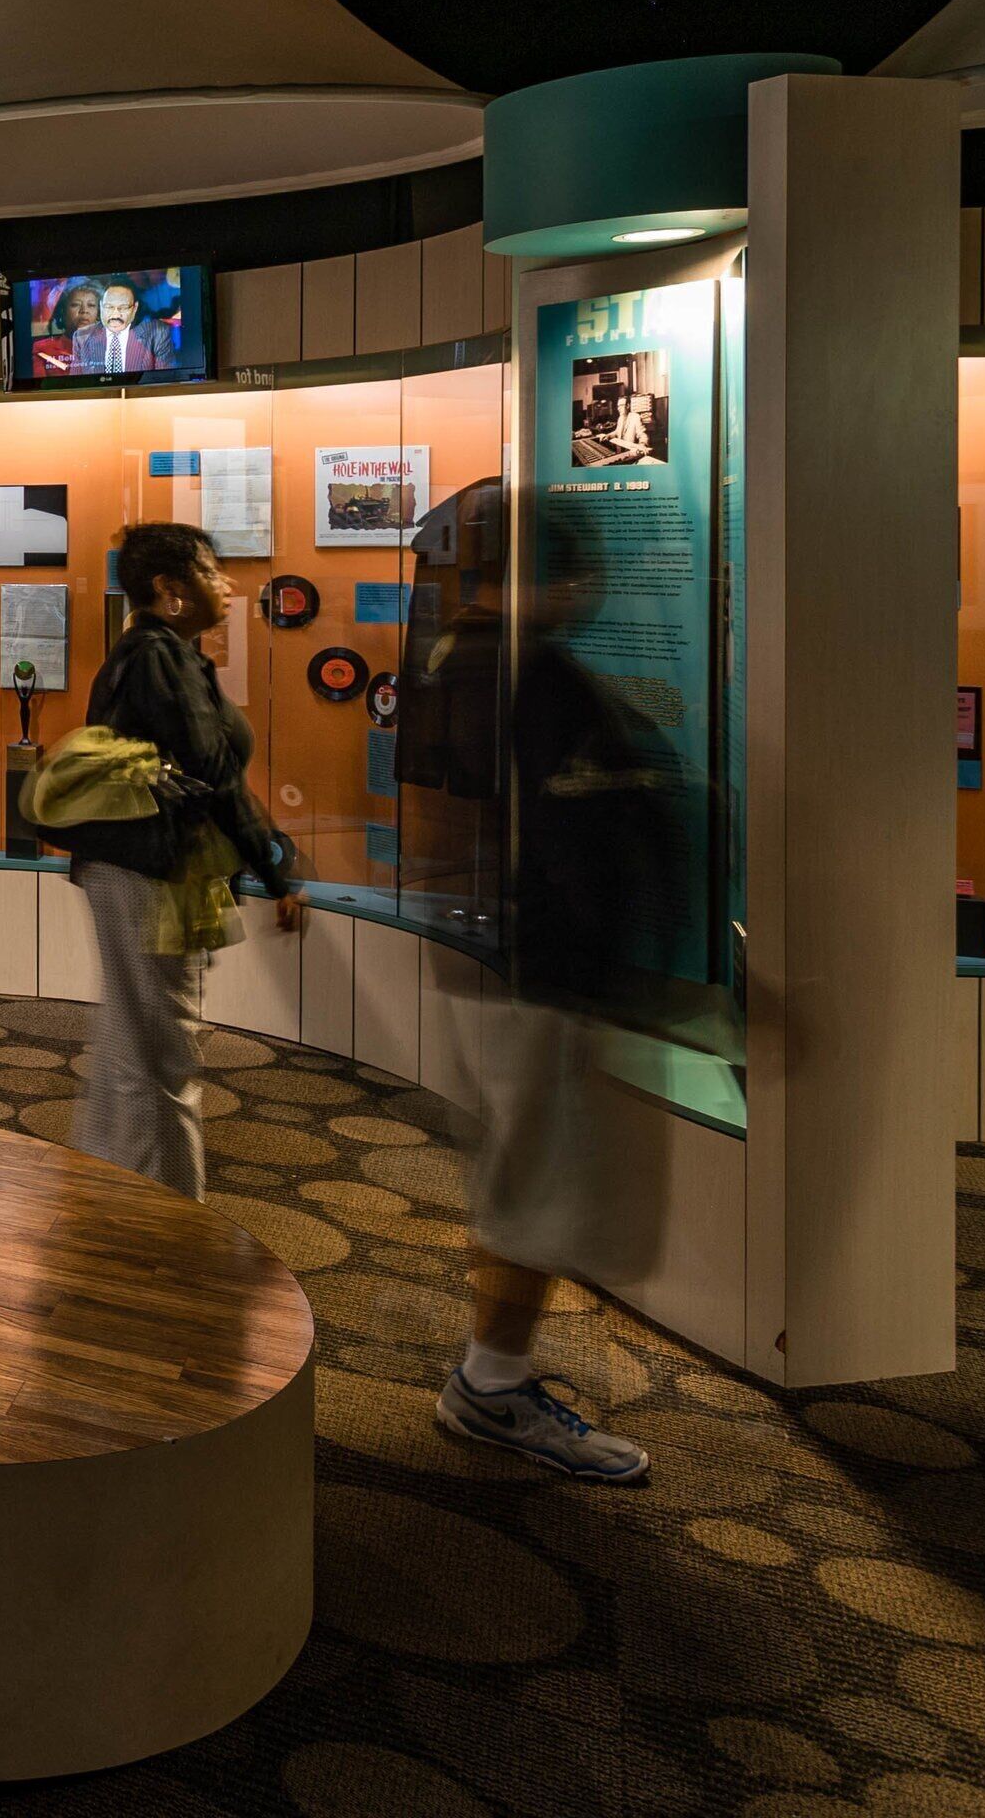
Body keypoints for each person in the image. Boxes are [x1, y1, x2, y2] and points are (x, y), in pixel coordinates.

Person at [411, 496, 674, 1483]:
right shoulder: (527, 676)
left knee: (521, 1184)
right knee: (534, 1190)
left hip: (496, 959)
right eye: (576, 573)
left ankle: (494, 1374)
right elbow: (574, 831)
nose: (589, 592)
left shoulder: (468, 659)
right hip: (534, 969)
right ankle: (492, 1386)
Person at [57, 523, 300, 1197]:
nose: (228, 585)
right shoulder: (163, 659)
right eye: (212, 572)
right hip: (149, 877)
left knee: (133, 1041)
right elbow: (214, 773)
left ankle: (112, 1194)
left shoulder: (152, 654)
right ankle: (173, 1222)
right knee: (162, 1052)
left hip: (133, 871)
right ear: (172, 592)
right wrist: (274, 865)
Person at [71, 281, 174, 376]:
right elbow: (76, 385)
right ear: (101, 306)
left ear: (135, 308)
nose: (115, 314)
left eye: (123, 307)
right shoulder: (82, 337)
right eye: (109, 307)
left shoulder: (157, 333)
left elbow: (165, 380)